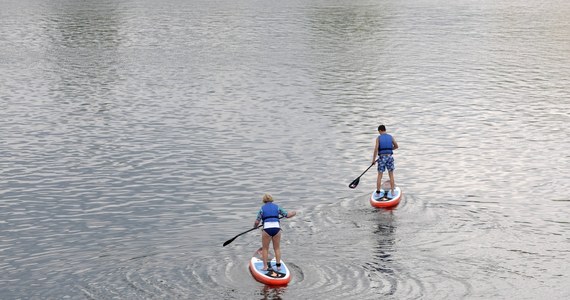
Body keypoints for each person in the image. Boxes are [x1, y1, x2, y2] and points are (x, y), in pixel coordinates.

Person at [253, 193, 296, 272]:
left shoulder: (262, 209)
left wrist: (255, 226)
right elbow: (287, 215)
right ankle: (278, 266)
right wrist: (294, 213)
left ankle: (265, 267)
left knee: (265, 249)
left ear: (264, 200)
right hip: (277, 229)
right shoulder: (277, 207)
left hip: (267, 229)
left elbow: (257, 221)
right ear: (272, 199)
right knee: (277, 248)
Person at [372, 124, 399, 199]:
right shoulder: (390, 137)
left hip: (382, 158)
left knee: (380, 175)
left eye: (379, 132)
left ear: (380, 130)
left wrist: (373, 160)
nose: (379, 133)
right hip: (390, 157)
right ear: (385, 130)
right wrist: (390, 150)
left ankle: (378, 192)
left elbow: (376, 149)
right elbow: (396, 146)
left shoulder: (378, 138)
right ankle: (393, 192)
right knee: (391, 175)